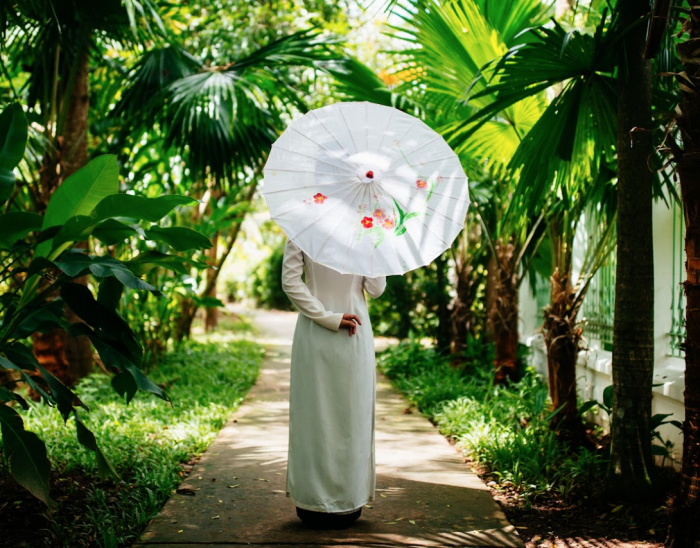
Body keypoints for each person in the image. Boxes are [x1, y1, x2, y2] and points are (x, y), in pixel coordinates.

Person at [280, 237, 387, 529]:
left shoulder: (301, 227)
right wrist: (377, 242)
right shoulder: (365, 230)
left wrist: (327, 317)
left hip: (318, 330)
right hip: (353, 332)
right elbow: (376, 289)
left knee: (314, 416)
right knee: (349, 417)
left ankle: (315, 501)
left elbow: (291, 283)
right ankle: (346, 501)